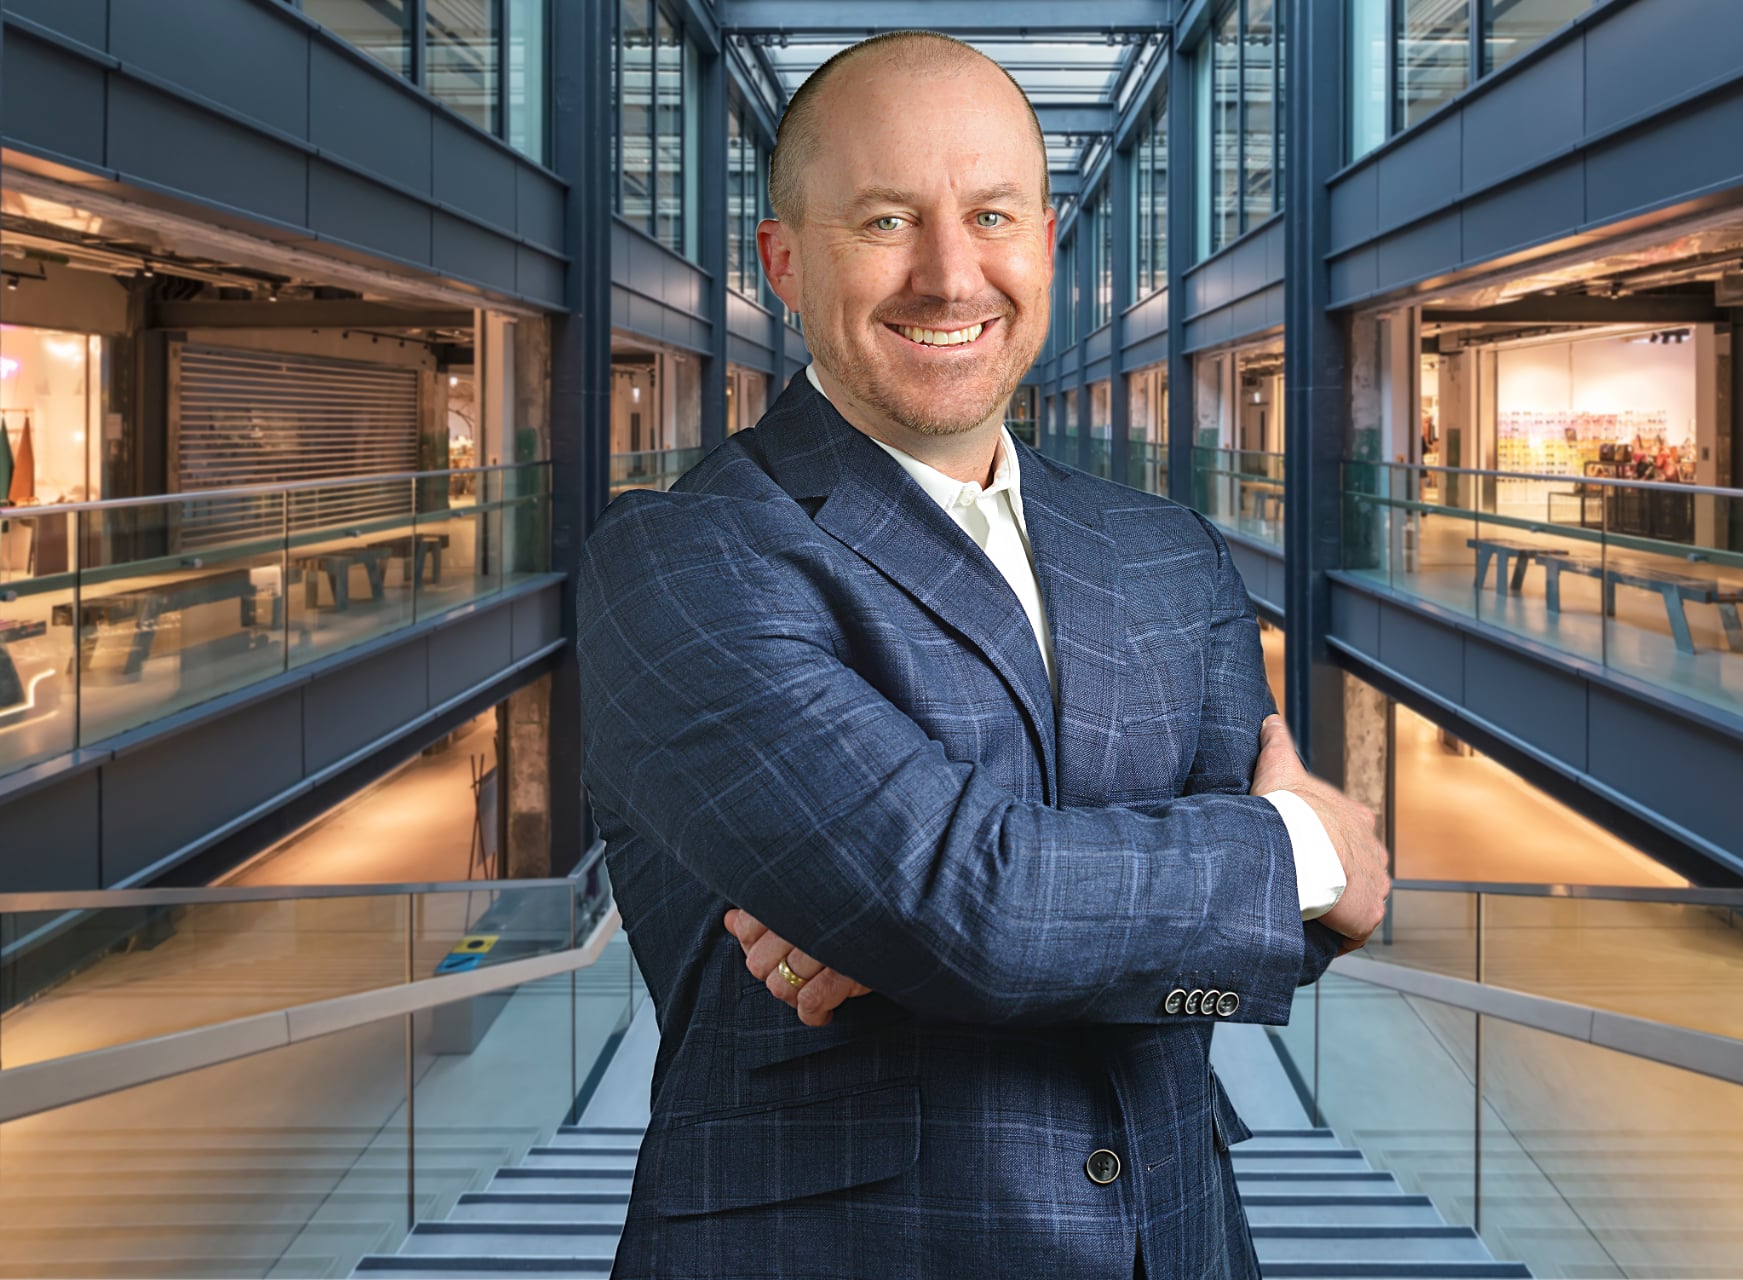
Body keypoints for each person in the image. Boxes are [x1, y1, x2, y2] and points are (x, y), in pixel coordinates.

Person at [577, 32, 1391, 1280]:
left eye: (993, 216)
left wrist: (931, 924)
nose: (950, 275)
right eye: (886, 219)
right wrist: (1298, 849)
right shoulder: (681, 557)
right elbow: (970, 905)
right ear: (784, 260)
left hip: (1180, 1243)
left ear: (1047, 242)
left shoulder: (1167, 549)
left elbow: (1278, 943)